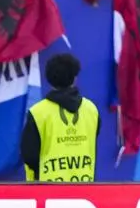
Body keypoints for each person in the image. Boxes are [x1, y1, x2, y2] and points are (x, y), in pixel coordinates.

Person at [21, 54, 100, 183]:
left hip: (48, 192)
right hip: (85, 189)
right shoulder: (91, 109)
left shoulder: (38, 112)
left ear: (49, 78)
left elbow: (29, 156)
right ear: (75, 78)